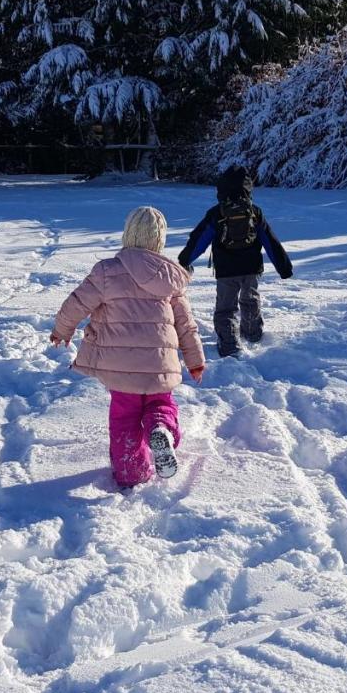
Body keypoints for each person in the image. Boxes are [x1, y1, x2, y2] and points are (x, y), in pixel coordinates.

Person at [51, 206, 206, 488]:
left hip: (119, 366)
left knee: (125, 416)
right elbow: (186, 324)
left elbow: (76, 304)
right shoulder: (171, 277)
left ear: (127, 235)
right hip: (161, 364)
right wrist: (195, 359)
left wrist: (62, 330)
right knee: (161, 404)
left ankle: (131, 473)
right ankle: (161, 430)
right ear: (159, 241)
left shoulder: (107, 271)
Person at [178, 165, 293, 358]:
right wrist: (284, 267)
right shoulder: (255, 212)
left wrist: (185, 260)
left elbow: (200, 239)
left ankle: (230, 345)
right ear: (248, 188)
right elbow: (270, 241)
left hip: (226, 270)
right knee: (250, 300)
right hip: (252, 268)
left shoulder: (217, 213)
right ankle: (252, 334)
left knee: (226, 307)